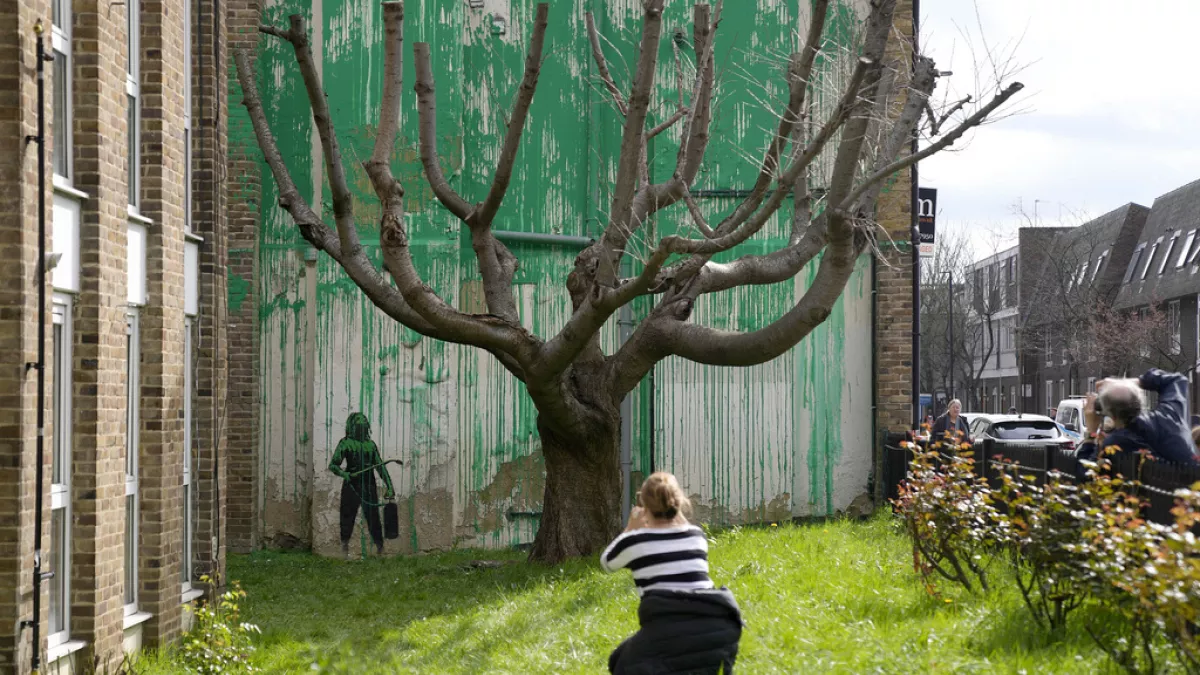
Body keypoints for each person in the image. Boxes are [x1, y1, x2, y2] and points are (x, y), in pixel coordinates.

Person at [601, 472, 743, 674]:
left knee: (621, 663)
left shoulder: (635, 541)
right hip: (718, 628)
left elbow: (607, 562)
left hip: (671, 627)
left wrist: (631, 528)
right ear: (679, 501)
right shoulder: (697, 535)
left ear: (644, 506)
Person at [1078, 369, 1199, 465]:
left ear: (1112, 416)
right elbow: (1177, 380)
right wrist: (1130, 382)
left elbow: (1086, 477)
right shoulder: (1170, 416)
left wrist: (1091, 431)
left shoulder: (1116, 443)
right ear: (1141, 401)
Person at [329, 412, 396, 555]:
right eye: (358, 422)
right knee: (347, 517)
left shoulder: (370, 445)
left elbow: (380, 467)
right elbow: (333, 465)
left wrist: (390, 486)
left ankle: (380, 548)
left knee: (373, 518)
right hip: (351, 486)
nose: (361, 424)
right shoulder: (345, 443)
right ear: (352, 426)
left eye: (363, 422)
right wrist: (344, 474)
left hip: (369, 486)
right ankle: (344, 548)